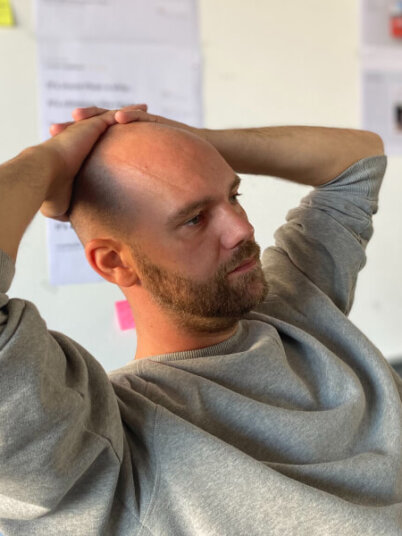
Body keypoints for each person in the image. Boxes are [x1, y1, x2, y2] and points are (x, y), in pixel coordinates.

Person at [0, 103, 400, 536]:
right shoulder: (110, 448)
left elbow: (358, 158)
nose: (242, 230)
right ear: (115, 261)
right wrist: (49, 160)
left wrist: (186, 140)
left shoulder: (296, 305)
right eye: (194, 219)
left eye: (234, 197)